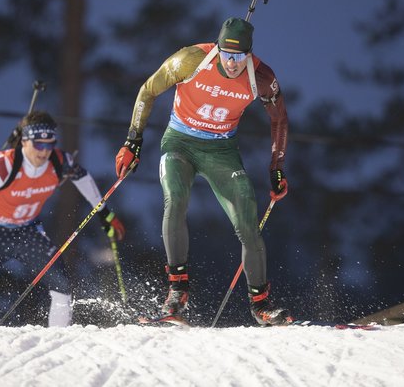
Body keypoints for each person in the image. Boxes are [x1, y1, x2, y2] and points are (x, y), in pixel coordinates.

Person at [115, 17, 290, 325]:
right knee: (176, 199)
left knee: (247, 218)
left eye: (239, 56)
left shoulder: (261, 76)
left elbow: (279, 119)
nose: (232, 63)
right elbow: (147, 90)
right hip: (180, 143)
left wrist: (276, 168)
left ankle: (261, 305)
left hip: (221, 151)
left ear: (249, 54)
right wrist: (133, 141)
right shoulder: (192, 59)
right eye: (227, 54)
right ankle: (177, 292)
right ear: (218, 47)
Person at [0, 110, 125, 326]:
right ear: (25, 141)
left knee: (62, 284)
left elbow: (83, 178)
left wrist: (104, 214)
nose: (45, 151)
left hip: (27, 232)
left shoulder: (59, 163)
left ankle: (58, 340)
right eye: (39, 144)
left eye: (50, 144)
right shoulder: (1, 167)